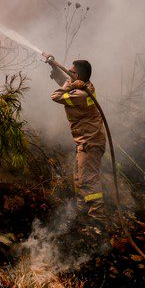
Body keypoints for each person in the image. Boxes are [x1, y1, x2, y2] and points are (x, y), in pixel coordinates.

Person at [45, 55, 107, 215]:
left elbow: (56, 96)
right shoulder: (81, 86)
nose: (68, 72)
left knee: (89, 178)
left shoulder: (82, 94)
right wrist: (54, 67)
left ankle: (97, 216)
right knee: (79, 178)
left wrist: (66, 85)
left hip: (90, 142)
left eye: (71, 72)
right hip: (86, 141)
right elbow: (66, 83)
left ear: (78, 77)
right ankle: (82, 211)